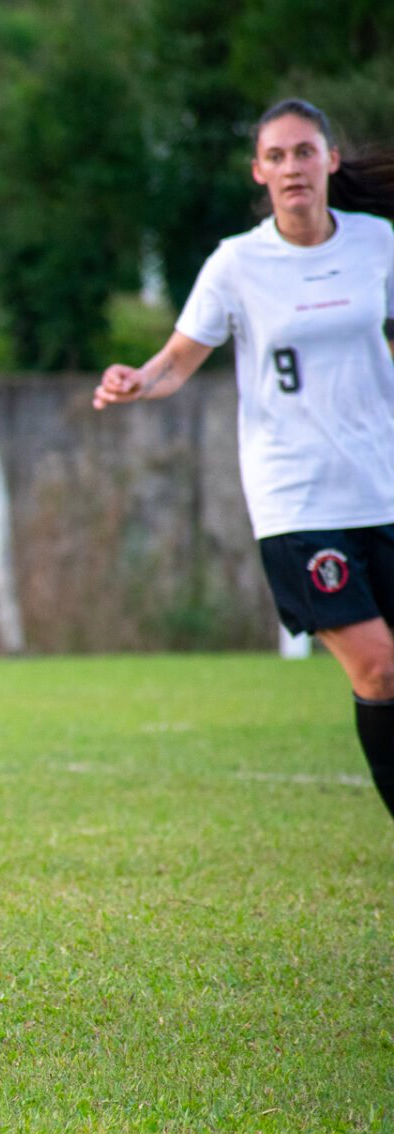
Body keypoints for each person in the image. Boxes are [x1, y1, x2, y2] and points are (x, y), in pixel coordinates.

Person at [94, 99, 394, 817]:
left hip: (382, 489)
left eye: (304, 151)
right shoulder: (237, 263)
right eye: (277, 156)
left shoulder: (377, 242)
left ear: (331, 160)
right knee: (379, 666)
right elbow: (176, 360)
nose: (292, 167)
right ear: (258, 172)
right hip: (297, 503)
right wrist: (136, 381)